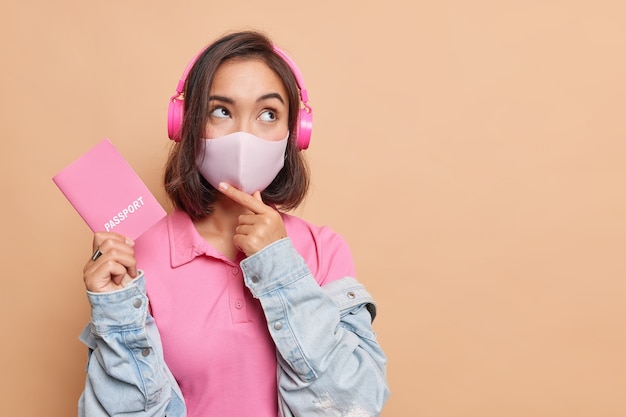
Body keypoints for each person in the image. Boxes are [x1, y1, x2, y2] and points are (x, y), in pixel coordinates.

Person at [78, 30, 389, 417]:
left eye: (268, 114)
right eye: (221, 111)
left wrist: (281, 271)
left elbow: (354, 405)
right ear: (185, 124)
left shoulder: (323, 250)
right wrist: (117, 312)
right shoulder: (138, 256)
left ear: (296, 133)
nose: (244, 135)